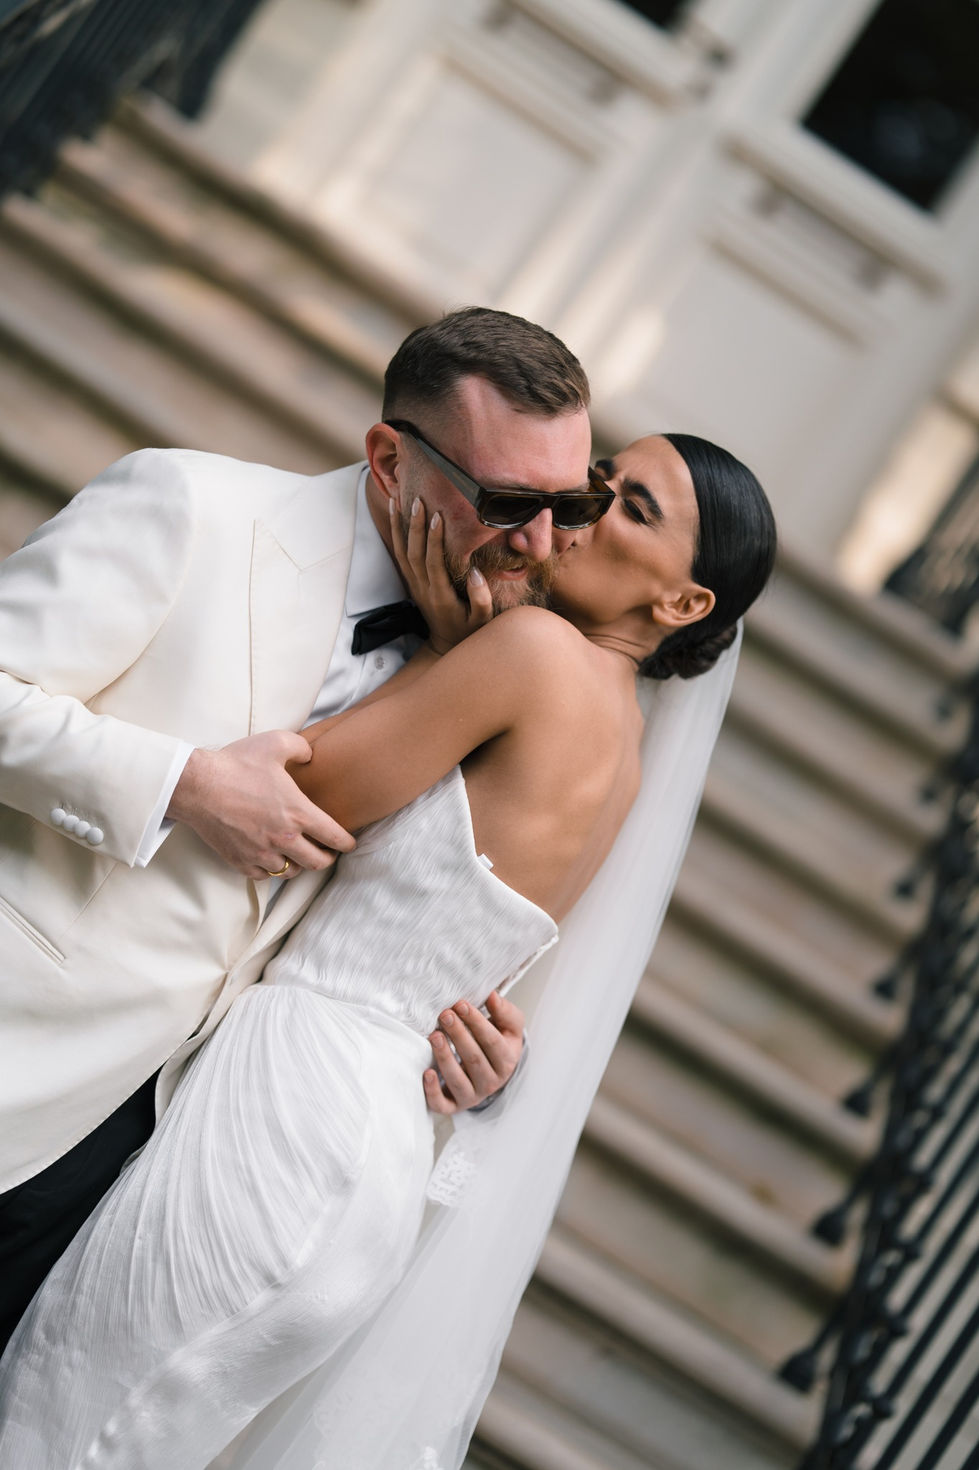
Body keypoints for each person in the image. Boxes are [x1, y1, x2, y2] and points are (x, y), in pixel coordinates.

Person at [0, 428, 777, 1469]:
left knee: (51, 1427)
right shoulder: (622, 751)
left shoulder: (531, 654)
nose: (582, 509)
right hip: (372, 1155)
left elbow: (301, 799)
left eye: (632, 508)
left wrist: (460, 648)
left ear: (682, 604)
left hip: (285, 1114)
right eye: (600, 481)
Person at [0, 307, 600, 1351]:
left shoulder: (494, 672)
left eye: (571, 502)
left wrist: (478, 1060)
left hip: (157, 1157)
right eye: (508, 502)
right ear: (387, 458)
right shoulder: (190, 505)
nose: (543, 545)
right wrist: (183, 784)